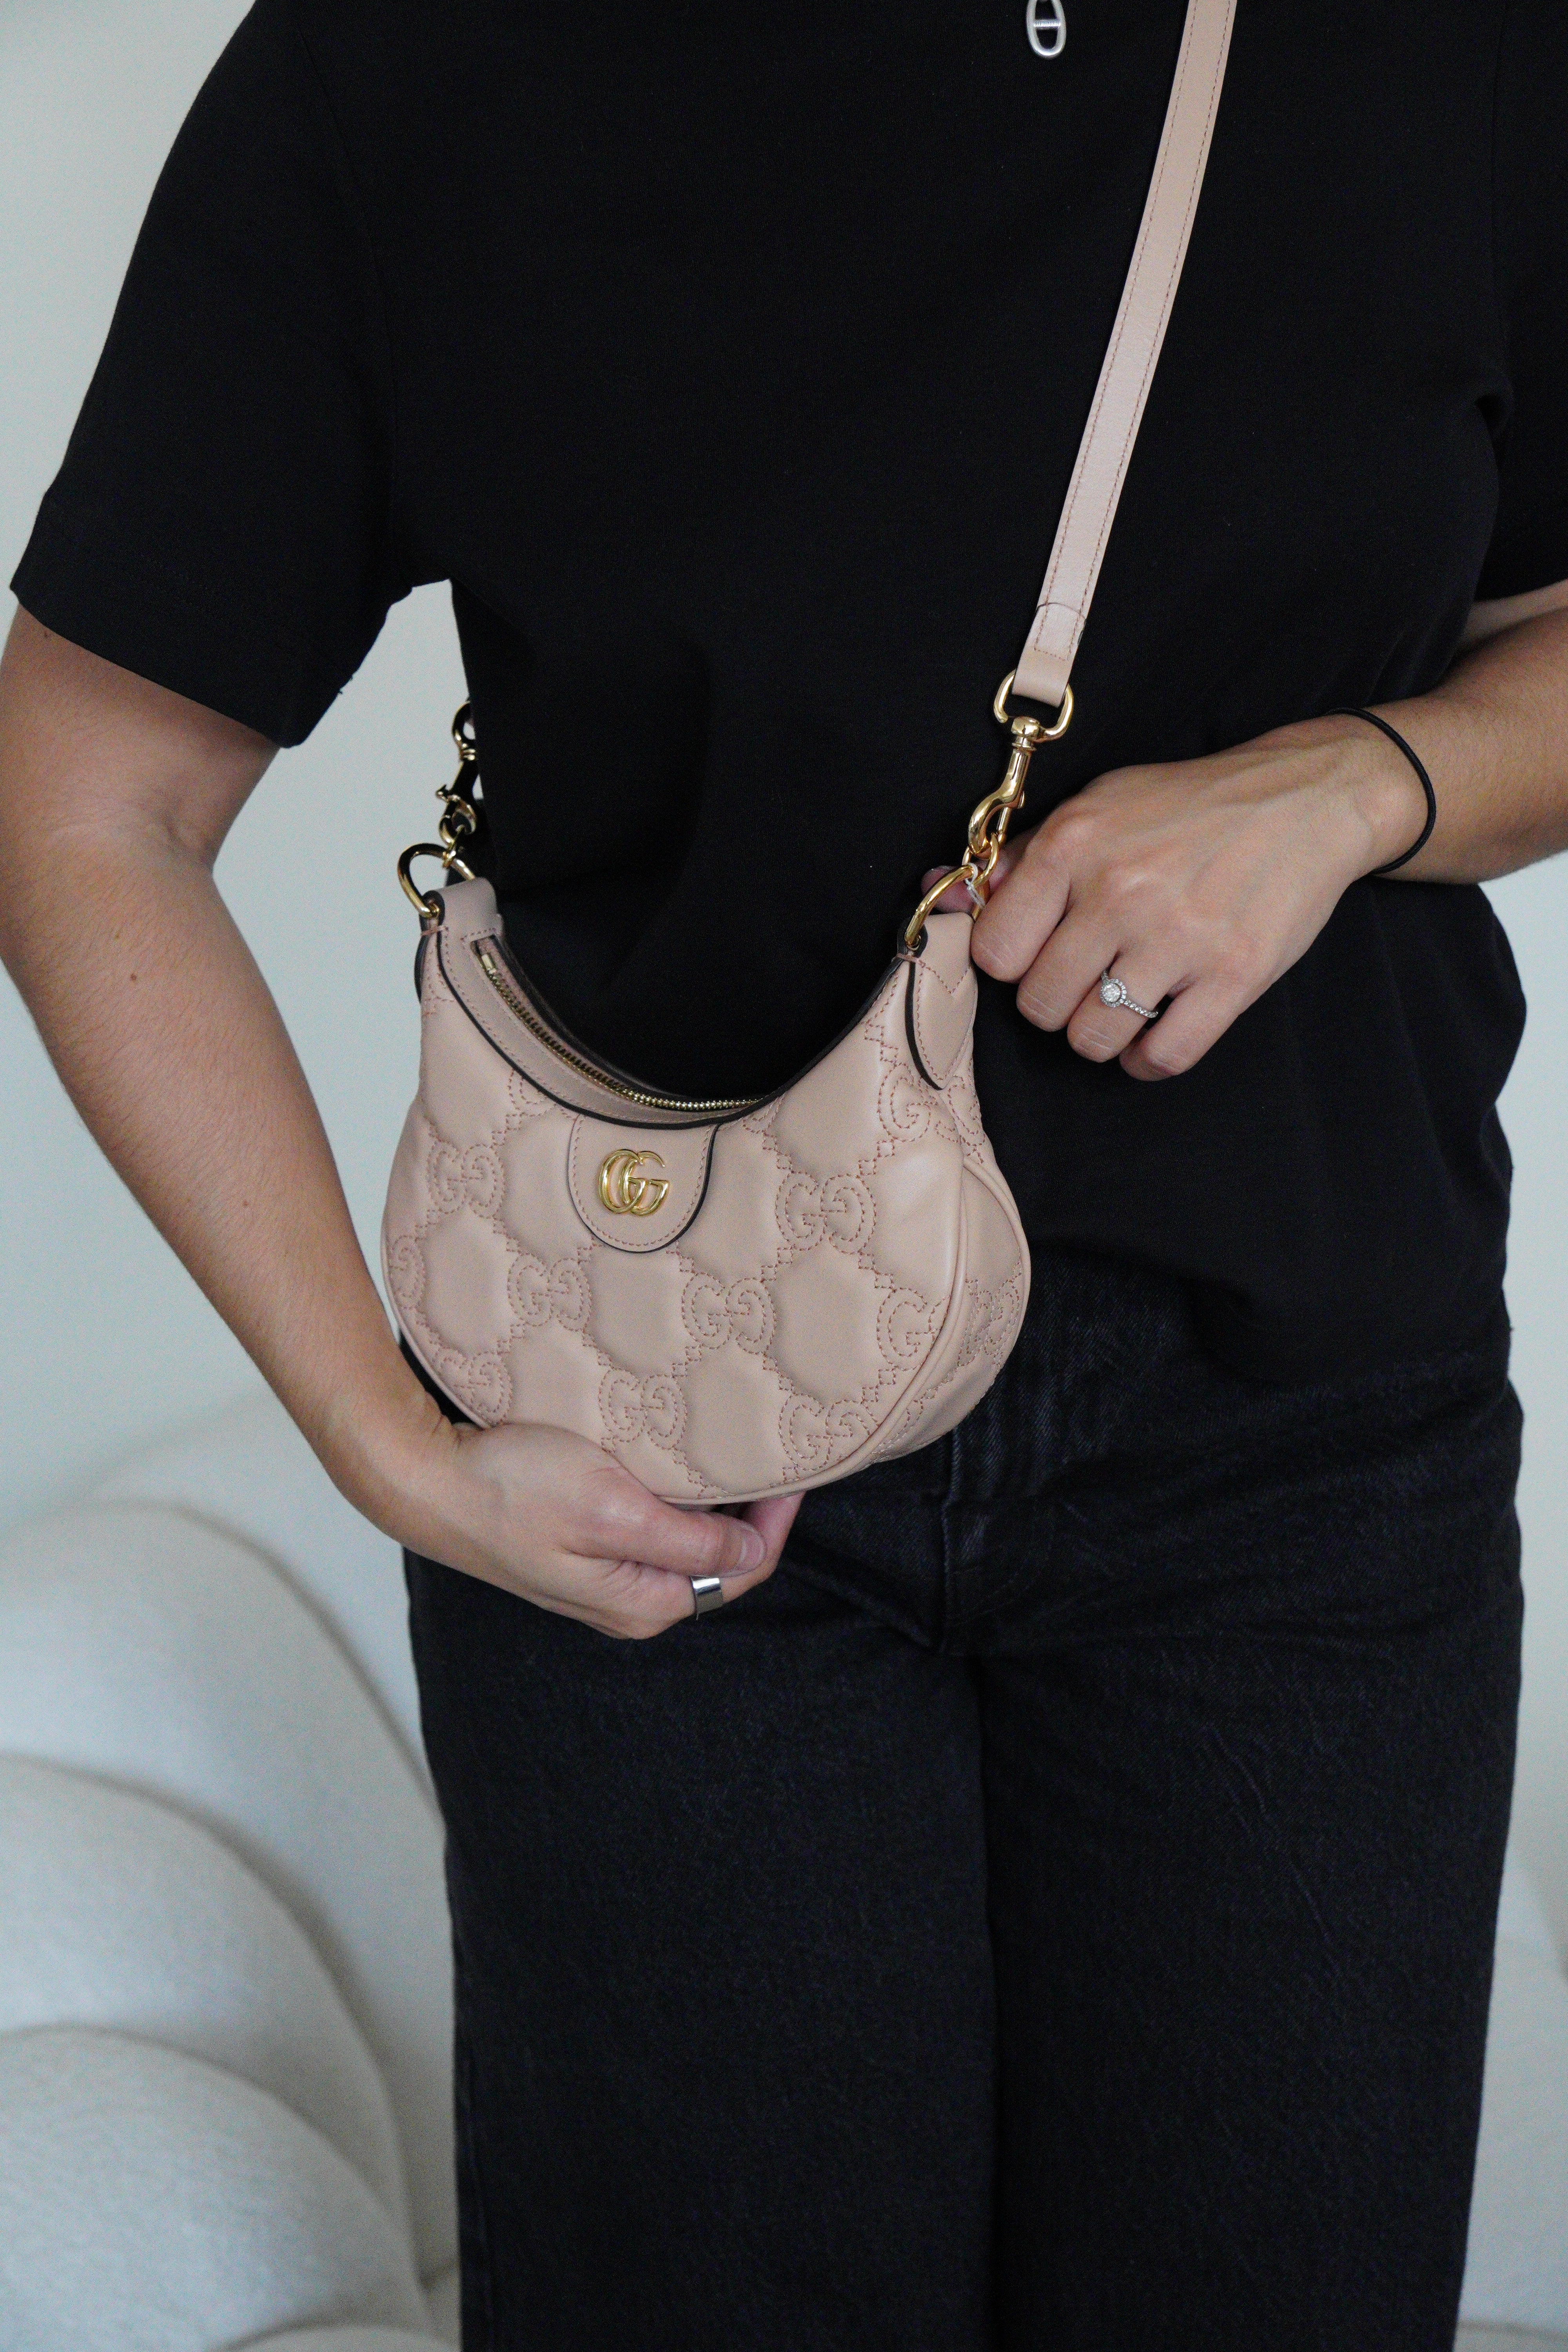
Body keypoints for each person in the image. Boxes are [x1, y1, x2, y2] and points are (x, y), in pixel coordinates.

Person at [2, 3, 1566, 2345]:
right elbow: (85, 799)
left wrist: (1358, 783)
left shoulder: (1448, 50)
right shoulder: (416, 64)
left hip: (1298, 1461)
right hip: (653, 1450)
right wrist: (378, 1433)